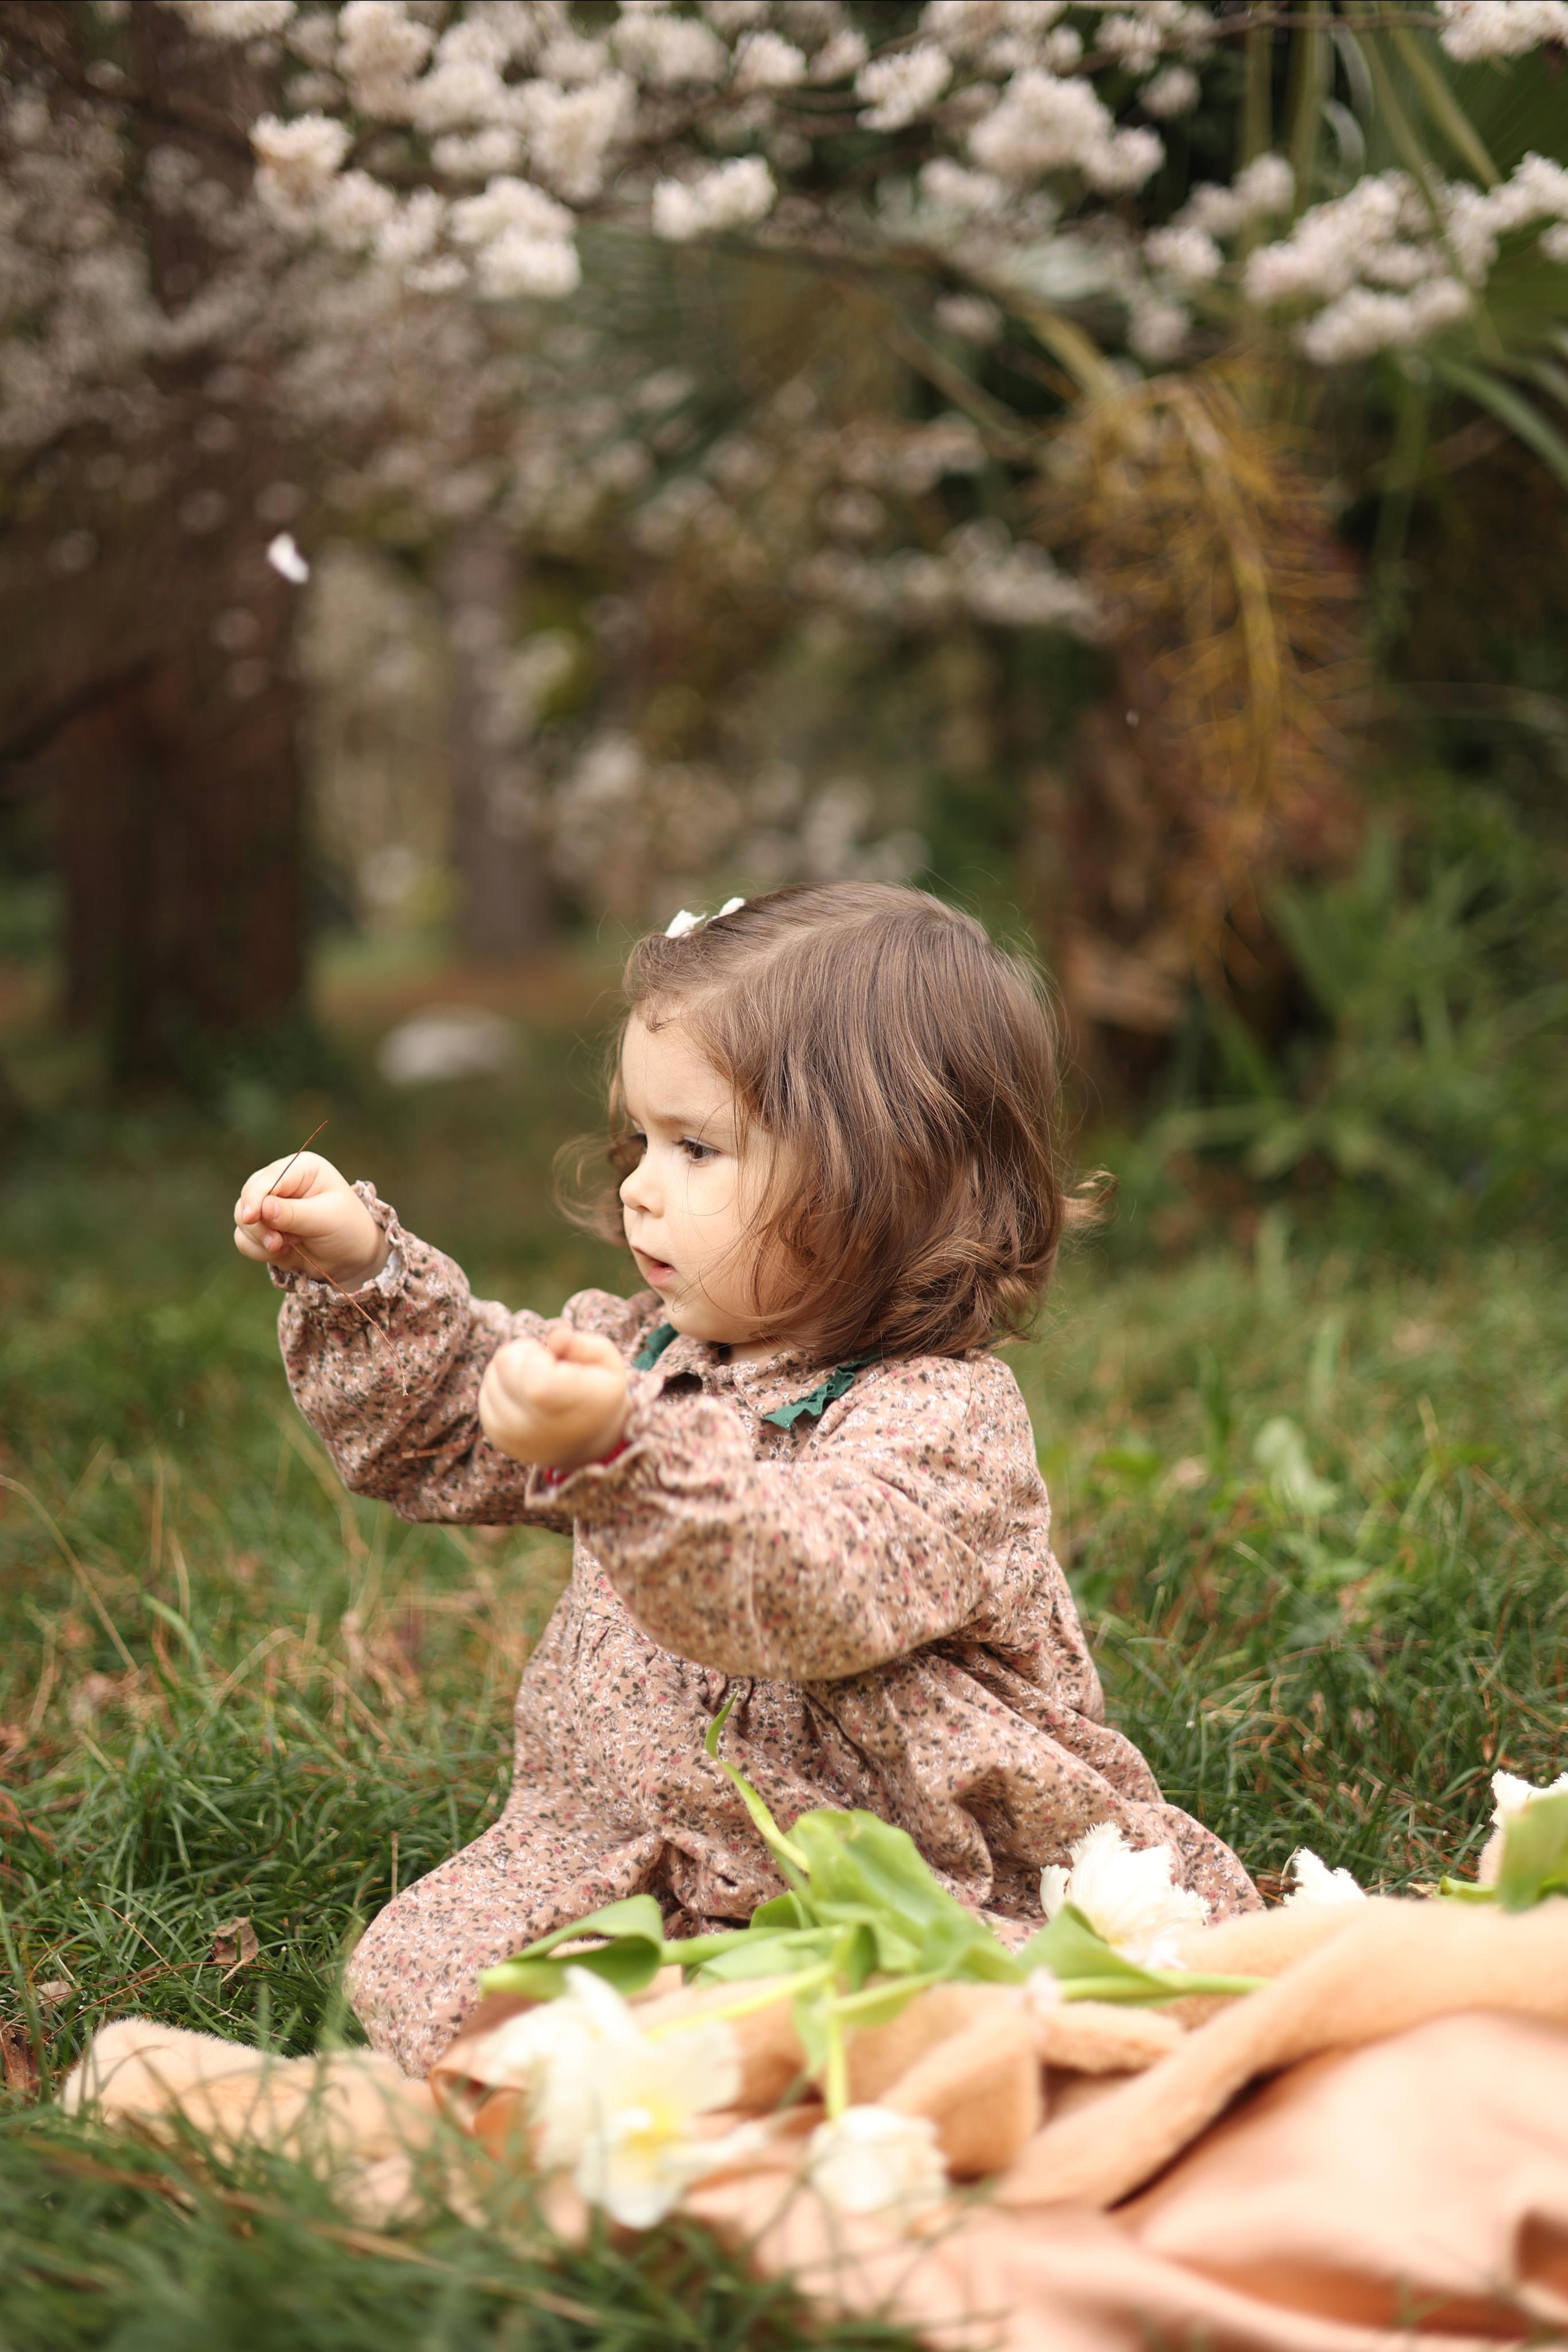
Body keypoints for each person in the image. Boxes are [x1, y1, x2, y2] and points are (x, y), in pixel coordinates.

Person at [233, 883, 1257, 2077]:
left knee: (898, 2023)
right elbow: (458, 1413)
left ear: (887, 1179)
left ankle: (842, 2070)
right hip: (642, 1850)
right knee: (468, 1997)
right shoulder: (648, 1351)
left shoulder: (940, 1418)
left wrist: (624, 1456)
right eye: (638, 1141)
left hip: (887, 1866)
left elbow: (805, 1582)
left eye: (697, 1148)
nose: (637, 1186)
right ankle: (681, 2066)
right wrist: (366, 1277)